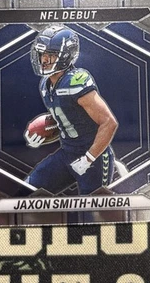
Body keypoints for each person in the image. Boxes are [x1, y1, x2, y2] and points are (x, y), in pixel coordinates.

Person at [23, 24, 118, 195]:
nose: (44, 60)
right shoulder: (45, 85)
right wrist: (42, 135)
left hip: (94, 158)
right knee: (27, 190)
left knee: (95, 207)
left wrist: (88, 159)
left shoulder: (76, 81)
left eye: (51, 55)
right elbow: (69, 121)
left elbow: (109, 123)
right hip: (67, 153)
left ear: (66, 56)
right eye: (42, 54)